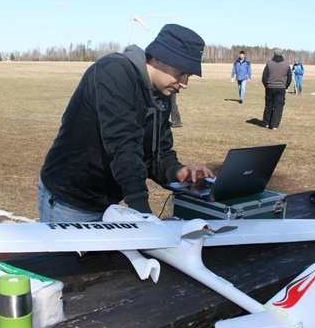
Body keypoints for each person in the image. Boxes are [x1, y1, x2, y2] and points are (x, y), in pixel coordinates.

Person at [38, 24, 214, 222]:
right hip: (70, 200)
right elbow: (124, 144)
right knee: (70, 255)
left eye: (188, 76)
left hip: (107, 203)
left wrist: (176, 171)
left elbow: (158, 153)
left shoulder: (162, 93)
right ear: (157, 59)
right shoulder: (113, 71)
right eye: (181, 73)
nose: (184, 84)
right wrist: (142, 211)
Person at [261, 49, 292, 130]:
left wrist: (267, 85)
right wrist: (285, 86)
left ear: (274, 54)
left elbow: (264, 77)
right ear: (282, 55)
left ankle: (266, 123)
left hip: (270, 87)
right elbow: (289, 78)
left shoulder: (269, 64)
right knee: (278, 107)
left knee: (269, 105)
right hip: (281, 88)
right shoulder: (286, 65)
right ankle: (274, 125)